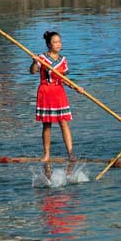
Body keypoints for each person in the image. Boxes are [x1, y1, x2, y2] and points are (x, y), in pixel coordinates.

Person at [30, 31, 83, 162]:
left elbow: (64, 79)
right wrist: (34, 62)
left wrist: (76, 87)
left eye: (59, 42)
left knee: (63, 123)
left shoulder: (63, 60)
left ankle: (70, 153)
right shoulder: (41, 58)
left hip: (59, 93)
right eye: (55, 42)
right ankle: (46, 154)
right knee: (47, 124)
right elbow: (33, 72)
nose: (58, 44)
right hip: (45, 92)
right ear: (49, 44)